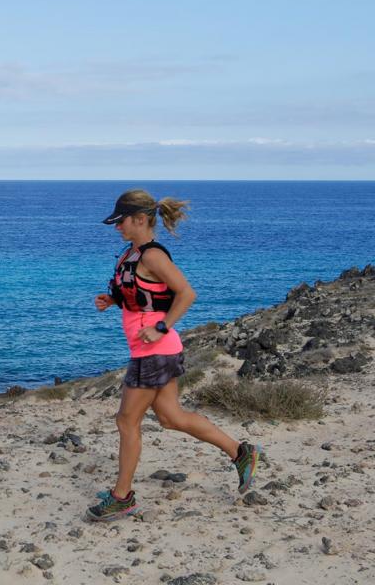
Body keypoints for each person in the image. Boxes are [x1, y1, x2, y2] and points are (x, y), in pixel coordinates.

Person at [86, 189, 261, 522]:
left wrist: (162, 327)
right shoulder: (130, 254)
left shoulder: (153, 256)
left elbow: (186, 293)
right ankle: (241, 452)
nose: (116, 227)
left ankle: (122, 497)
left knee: (126, 421)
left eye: (120, 221)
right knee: (171, 417)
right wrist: (114, 301)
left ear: (140, 220)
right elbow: (144, 296)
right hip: (156, 351)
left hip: (154, 351)